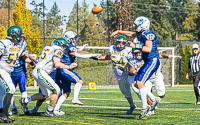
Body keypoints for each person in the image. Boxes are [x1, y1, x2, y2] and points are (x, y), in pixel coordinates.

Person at [111, 16, 161, 119]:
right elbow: (131, 34)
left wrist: (135, 46)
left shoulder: (149, 34)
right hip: (147, 61)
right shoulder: (142, 33)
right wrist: (119, 31)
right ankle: (153, 99)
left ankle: (144, 107)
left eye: (137, 26)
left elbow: (148, 49)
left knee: (139, 83)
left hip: (152, 60)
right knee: (136, 83)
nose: (135, 27)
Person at [19, 38, 78, 117]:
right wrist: (69, 67)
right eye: (63, 46)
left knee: (45, 94)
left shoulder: (48, 48)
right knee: (56, 90)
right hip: (42, 72)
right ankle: (49, 111)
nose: (64, 48)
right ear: (59, 44)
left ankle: (25, 100)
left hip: (38, 71)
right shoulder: (58, 49)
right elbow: (57, 64)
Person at [53, 31, 101, 115]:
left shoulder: (66, 46)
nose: (75, 40)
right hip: (65, 69)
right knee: (79, 81)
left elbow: (76, 51)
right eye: (73, 38)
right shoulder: (69, 46)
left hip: (63, 69)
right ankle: (75, 98)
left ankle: (56, 109)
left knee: (66, 92)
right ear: (69, 39)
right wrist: (91, 55)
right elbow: (77, 54)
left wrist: (82, 47)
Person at [0, 25, 35, 123]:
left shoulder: (19, 44)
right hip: (1, 70)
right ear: (14, 34)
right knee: (11, 88)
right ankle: (5, 116)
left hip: (8, 71)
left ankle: (2, 112)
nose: (21, 36)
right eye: (19, 34)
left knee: (1, 95)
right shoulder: (4, 43)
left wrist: (31, 62)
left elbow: (22, 56)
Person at [98, 35, 136, 114]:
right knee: (127, 94)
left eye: (122, 43)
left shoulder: (128, 50)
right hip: (120, 76)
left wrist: (129, 70)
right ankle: (132, 106)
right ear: (116, 43)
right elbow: (109, 57)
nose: (120, 45)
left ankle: (146, 106)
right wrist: (98, 57)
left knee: (136, 89)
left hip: (129, 74)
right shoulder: (112, 49)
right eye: (119, 43)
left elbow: (133, 62)